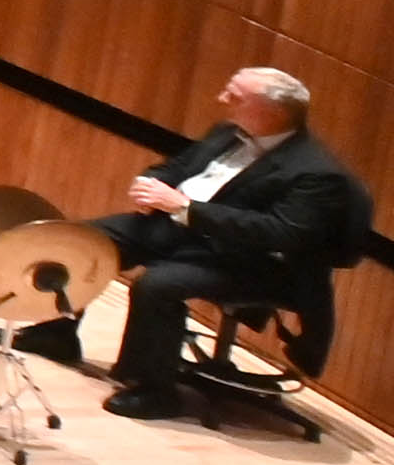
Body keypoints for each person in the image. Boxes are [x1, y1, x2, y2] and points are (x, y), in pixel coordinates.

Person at [39, 66, 371, 418]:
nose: (222, 100)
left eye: (235, 96)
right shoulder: (228, 132)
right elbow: (178, 167)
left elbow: (279, 232)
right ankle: (56, 334)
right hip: (189, 231)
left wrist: (186, 208)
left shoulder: (316, 172)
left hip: (256, 262)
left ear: (273, 112)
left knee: (157, 285)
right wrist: (149, 183)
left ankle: (156, 392)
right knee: (83, 240)